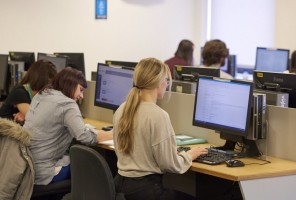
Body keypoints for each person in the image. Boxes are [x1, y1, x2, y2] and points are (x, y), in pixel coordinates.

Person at [113, 57, 208, 200]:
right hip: (145, 190)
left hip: (120, 184)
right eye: (166, 80)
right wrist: (189, 155)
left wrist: (168, 151)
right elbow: (171, 165)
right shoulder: (158, 115)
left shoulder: (122, 108)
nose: (167, 84)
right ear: (158, 83)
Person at [23, 67, 113, 185]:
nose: (82, 96)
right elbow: (84, 136)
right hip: (44, 172)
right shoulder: (67, 104)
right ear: (70, 84)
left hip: (26, 167)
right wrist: (112, 134)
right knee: (92, 163)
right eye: (80, 90)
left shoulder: (41, 95)